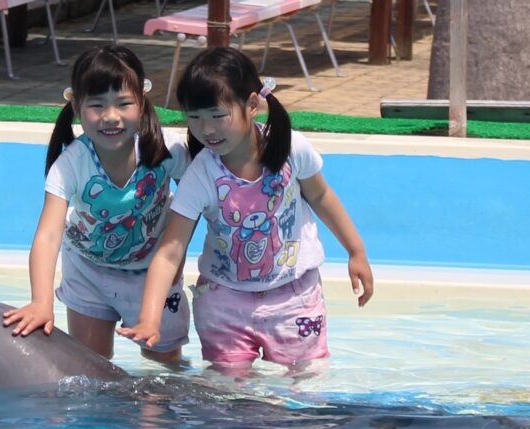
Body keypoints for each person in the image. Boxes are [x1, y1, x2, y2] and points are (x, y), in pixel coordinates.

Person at [118, 47, 373, 373]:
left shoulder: (291, 149)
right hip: (224, 301)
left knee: (308, 382)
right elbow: (171, 251)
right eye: (194, 117)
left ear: (252, 105)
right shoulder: (202, 173)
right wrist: (151, 319)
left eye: (217, 115)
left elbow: (322, 197)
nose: (206, 129)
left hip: (294, 296)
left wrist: (356, 251)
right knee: (227, 395)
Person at [3, 45, 191, 363]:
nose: (111, 117)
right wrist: (41, 301)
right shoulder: (71, 164)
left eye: (123, 104)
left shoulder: (165, 149)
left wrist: (177, 257)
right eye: (97, 105)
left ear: (142, 102)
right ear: (76, 106)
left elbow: (195, 201)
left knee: (166, 362)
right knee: (92, 366)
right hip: (88, 270)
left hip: (153, 274)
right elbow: (48, 237)